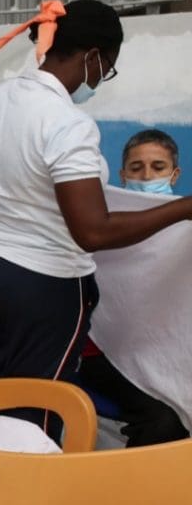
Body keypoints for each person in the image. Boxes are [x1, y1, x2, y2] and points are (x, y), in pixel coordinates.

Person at [0, 0, 192, 442]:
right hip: (45, 286)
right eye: (107, 69)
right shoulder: (66, 123)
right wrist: (183, 207)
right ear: (92, 57)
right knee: (39, 409)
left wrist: (24, 199)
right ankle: (26, 503)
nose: (100, 80)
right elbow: (92, 232)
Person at [78, 129, 189, 447]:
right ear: (123, 174)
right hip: (103, 352)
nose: (147, 175)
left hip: (166, 348)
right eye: (137, 168)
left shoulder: (185, 223)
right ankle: (135, 492)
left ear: (175, 174)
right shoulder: (100, 223)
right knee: (164, 419)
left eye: (158, 167)